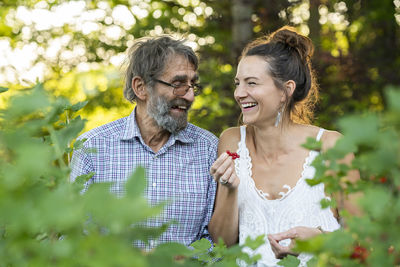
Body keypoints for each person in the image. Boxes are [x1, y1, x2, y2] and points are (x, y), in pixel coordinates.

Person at [208, 26, 359, 266]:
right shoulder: (231, 141)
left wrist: (319, 240)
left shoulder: (331, 146)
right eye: (237, 83)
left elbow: (364, 242)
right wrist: (230, 188)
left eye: (252, 83)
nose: (239, 93)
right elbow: (221, 244)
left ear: (285, 91)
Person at [70, 36, 218, 250]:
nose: (190, 96)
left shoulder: (208, 149)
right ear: (141, 87)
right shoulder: (92, 148)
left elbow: (215, 240)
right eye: (178, 84)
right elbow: (74, 234)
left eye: (193, 85)